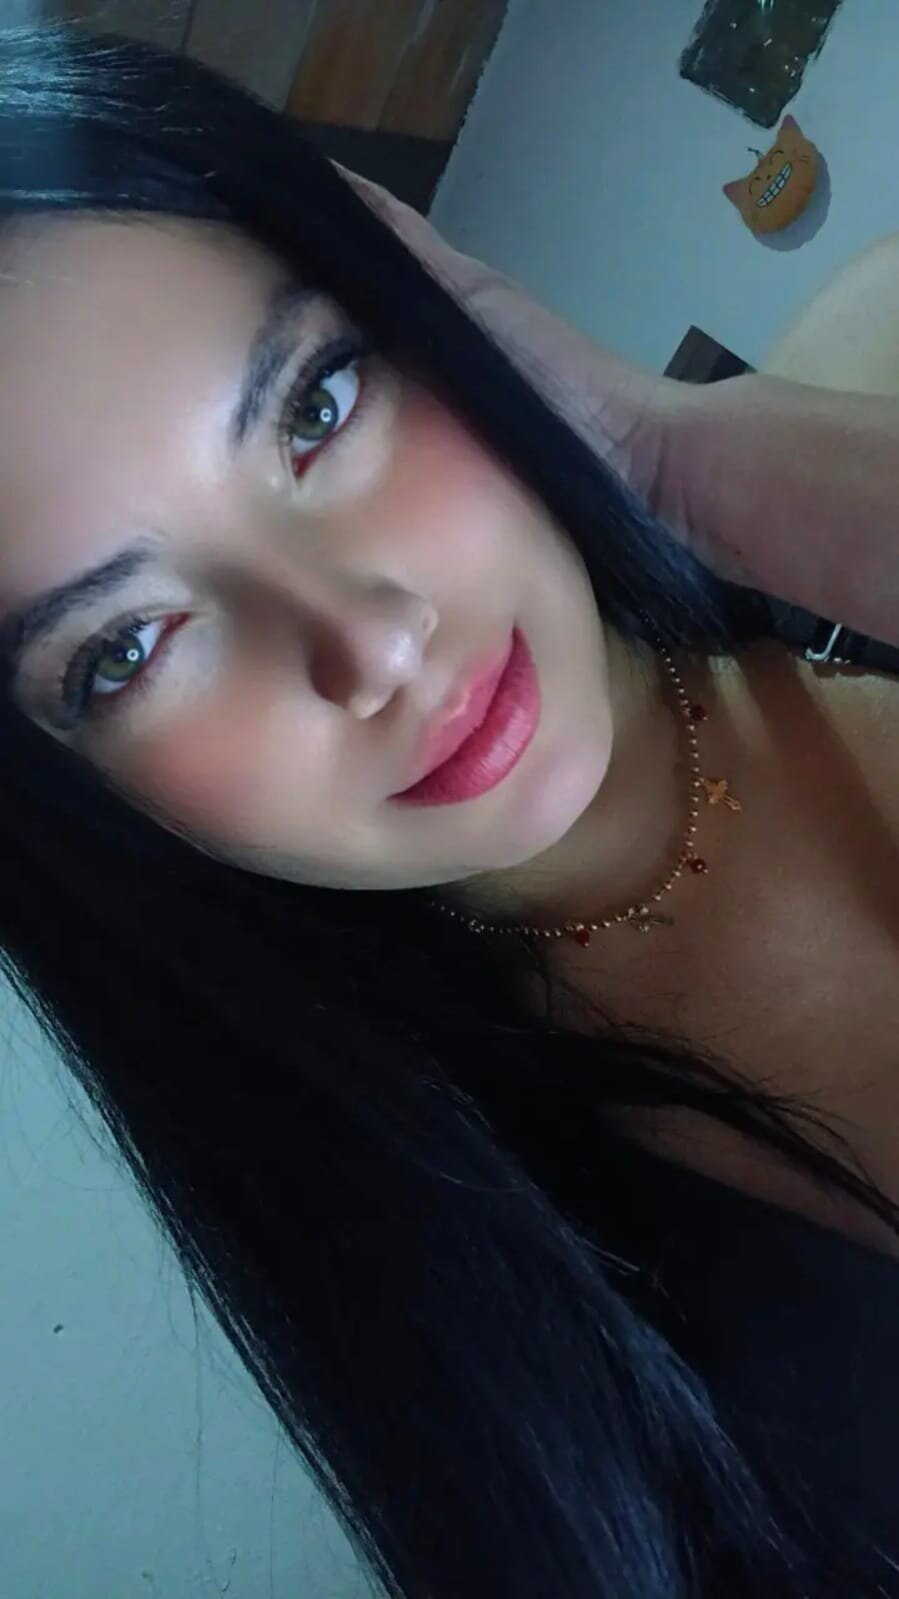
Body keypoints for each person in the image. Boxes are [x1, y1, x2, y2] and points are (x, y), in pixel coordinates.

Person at [0, 23, 896, 1599]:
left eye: (319, 405)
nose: (373, 644)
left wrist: (659, 456)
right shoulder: (515, 1321)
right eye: (127, 649)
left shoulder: (864, 389)